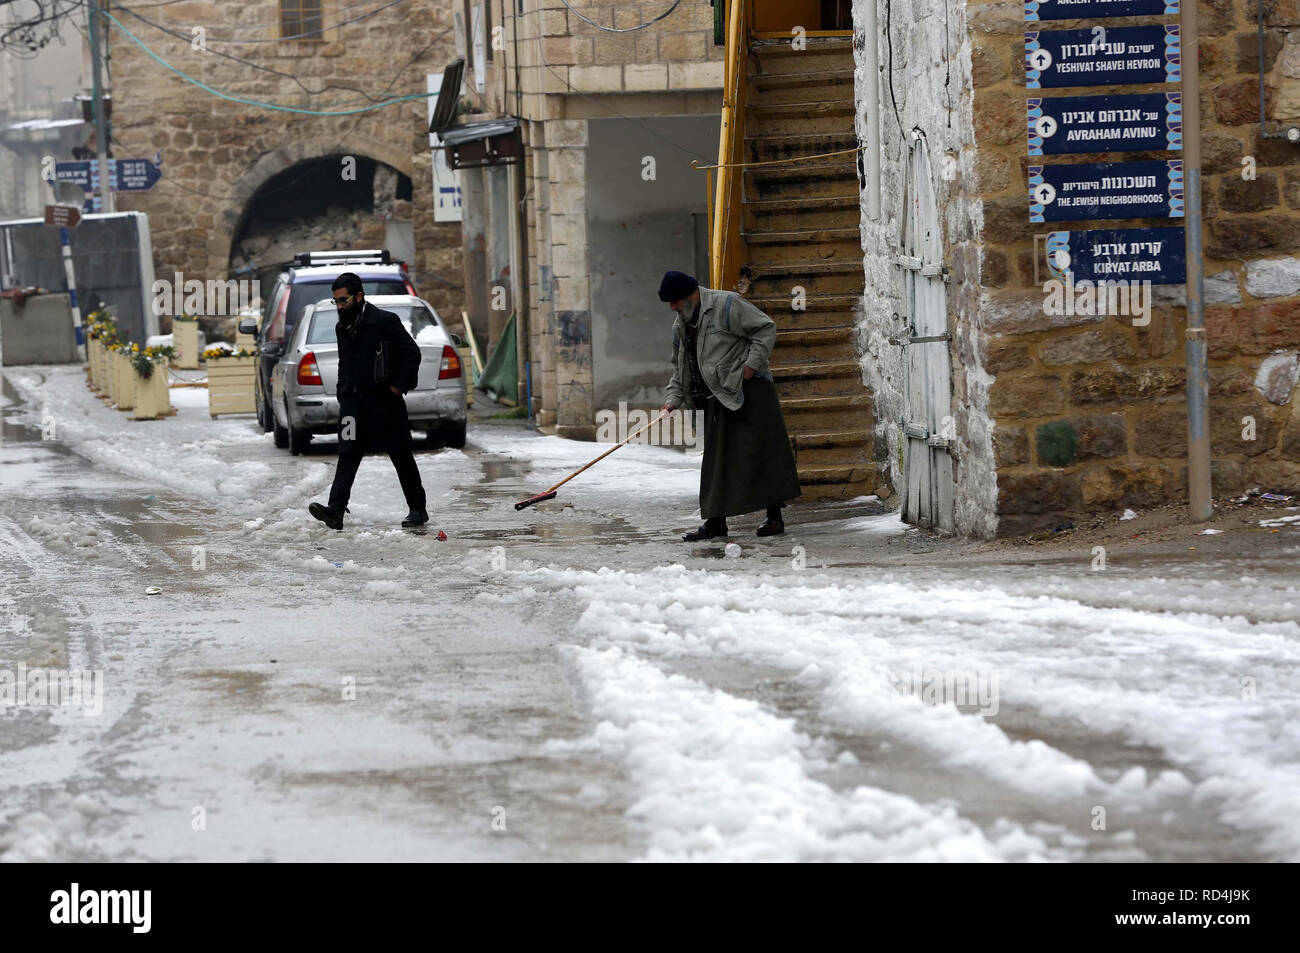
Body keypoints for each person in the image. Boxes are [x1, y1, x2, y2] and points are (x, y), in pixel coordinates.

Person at [659, 270, 800, 540]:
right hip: (711, 398)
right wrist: (672, 400)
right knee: (715, 462)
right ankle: (715, 523)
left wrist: (749, 367)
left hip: (748, 390)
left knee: (763, 452)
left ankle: (774, 518)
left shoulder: (727, 305)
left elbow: (765, 328)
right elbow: (680, 368)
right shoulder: (680, 324)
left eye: (675, 301)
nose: (672, 307)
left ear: (689, 295)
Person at [308, 273, 427, 530]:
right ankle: (335, 511)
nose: (339, 306)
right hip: (352, 404)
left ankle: (418, 509)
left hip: (385, 401)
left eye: (343, 300)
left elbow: (412, 353)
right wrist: (343, 392)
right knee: (347, 453)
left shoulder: (384, 321)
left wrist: (396, 387)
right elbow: (344, 364)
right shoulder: (342, 328)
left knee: (400, 453)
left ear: (359, 297)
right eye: (335, 301)